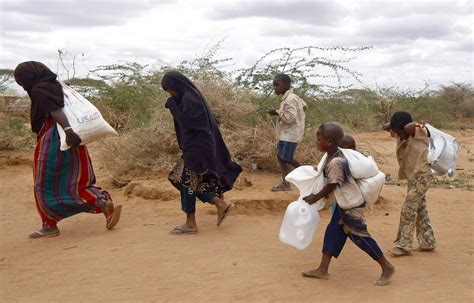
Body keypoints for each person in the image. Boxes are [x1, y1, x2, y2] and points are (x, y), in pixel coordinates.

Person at [14, 61, 122, 239]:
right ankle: (101, 202)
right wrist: (70, 133)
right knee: (77, 179)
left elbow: (55, 110)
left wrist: (68, 131)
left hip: (55, 139)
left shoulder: (39, 89)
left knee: (43, 184)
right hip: (71, 139)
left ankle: (49, 225)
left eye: (20, 79)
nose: (20, 83)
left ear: (28, 77)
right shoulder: (56, 85)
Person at [302, 122, 395, 286]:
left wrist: (316, 197)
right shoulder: (332, 157)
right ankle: (323, 269)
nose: (317, 142)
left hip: (351, 205)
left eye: (319, 139)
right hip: (342, 204)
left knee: (360, 237)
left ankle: (386, 267)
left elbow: (333, 184)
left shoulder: (337, 161)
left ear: (329, 141)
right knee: (332, 233)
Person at [161, 71, 242, 235]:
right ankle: (220, 204)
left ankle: (191, 223)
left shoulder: (190, 99)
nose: (170, 94)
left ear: (176, 86)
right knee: (178, 178)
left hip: (198, 148)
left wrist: (172, 105)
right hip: (196, 146)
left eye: (170, 90)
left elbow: (188, 124)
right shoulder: (190, 97)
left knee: (185, 181)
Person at [383, 111, 436, 256]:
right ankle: (427, 242)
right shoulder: (400, 132)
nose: (399, 136)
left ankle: (403, 245)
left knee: (408, 209)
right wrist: (394, 125)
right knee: (420, 210)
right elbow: (385, 126)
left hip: (423, 176)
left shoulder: (418, 132)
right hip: (413, 178)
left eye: (400, 132)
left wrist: (404, 126)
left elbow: (411, 126)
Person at [268, 74, 307, 191]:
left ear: (286, 85)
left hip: (291, 134)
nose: (275, 88)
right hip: (286, 134)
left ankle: (310, 174)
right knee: (280, 156)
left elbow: (290, 118)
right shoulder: (291, 97)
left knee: (286, 158)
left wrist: (277, 112)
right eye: (274, 85)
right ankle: (285, 183)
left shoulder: (290, 98)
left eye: (277, 85)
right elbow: (305, 105)